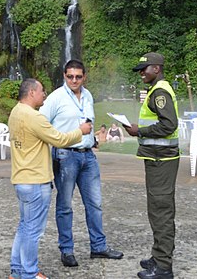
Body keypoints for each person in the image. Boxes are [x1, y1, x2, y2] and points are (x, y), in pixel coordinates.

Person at [40, 59, 123, 268]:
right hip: (65, 156)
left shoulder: (88, 96)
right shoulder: (55, 98)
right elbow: (41, 125)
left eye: (78, 76)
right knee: (65, 205)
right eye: (70, 76)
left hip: (88, 155)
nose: (74, 80)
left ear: (84, 77)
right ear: (64, 76)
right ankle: (66, 250)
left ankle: (98, 246)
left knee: (95, 203)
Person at [9, 78, 92, 279]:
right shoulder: (34, 117)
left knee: (24, 226)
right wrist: (81, 131)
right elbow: (59, 139)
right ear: (31, 93)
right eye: (41, 91)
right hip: (36, 180)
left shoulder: (15, 112)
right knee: (33, 231)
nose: (44, 94)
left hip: (21, 178)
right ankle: (29, 273)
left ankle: (17, 270)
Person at [123, 53, 179, 279]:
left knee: (161, 212)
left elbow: (169, 125)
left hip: (162, 159)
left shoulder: (160, 92)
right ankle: (157, 256)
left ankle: (164, 267)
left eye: (144, 69)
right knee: (156, 210)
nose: (141, 73)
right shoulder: (157, 90)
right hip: (158, 158)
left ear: (156, 68)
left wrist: (140, 131)